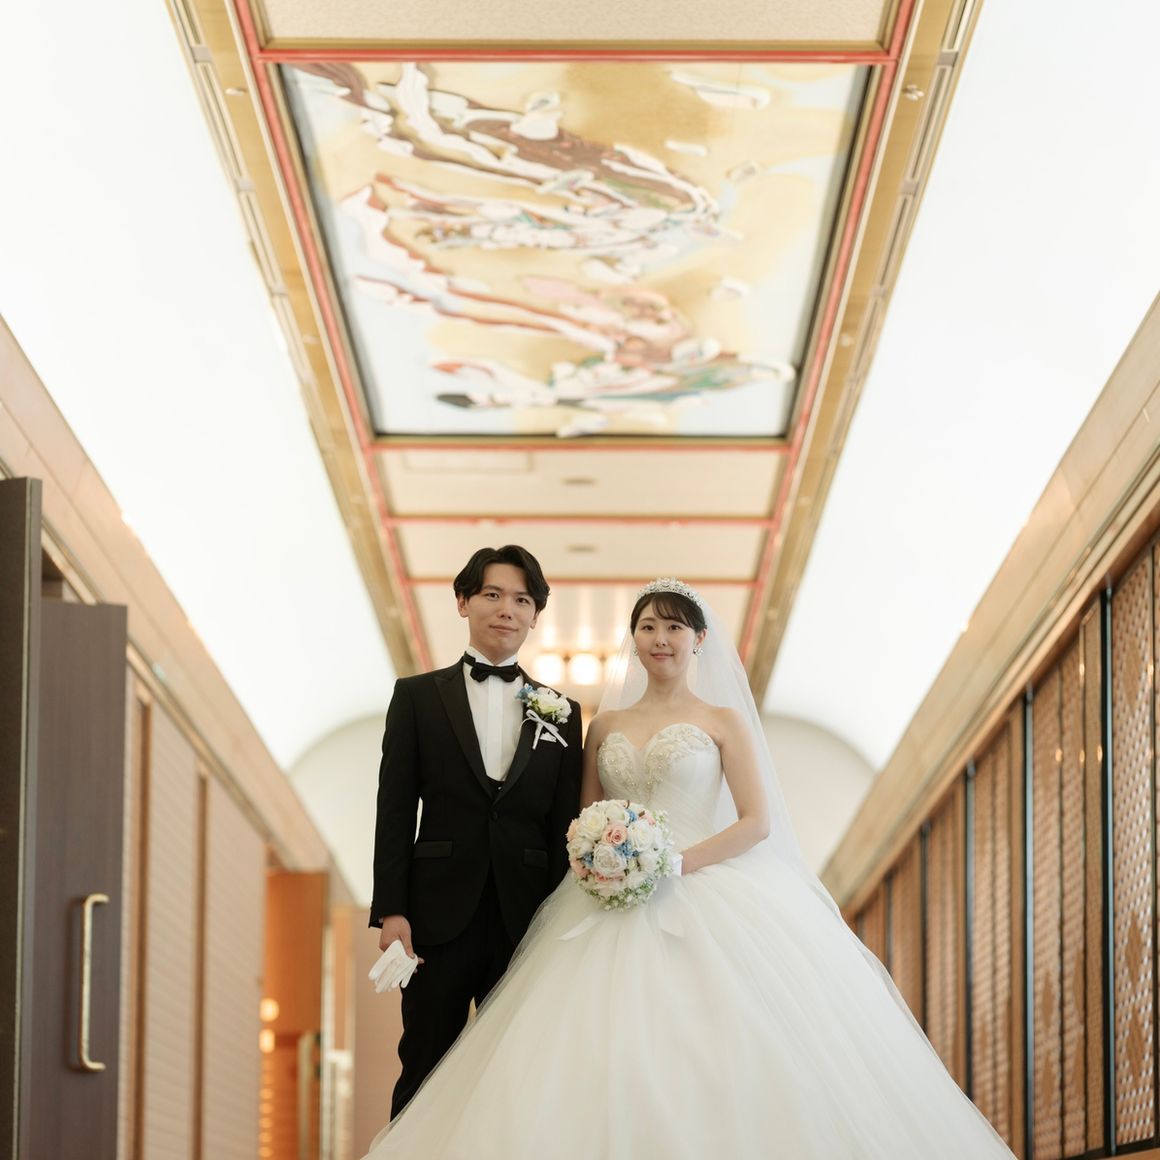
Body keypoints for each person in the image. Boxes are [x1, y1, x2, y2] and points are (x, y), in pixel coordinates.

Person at [365, 579, 1016, 1158]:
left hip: (704, 887)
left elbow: (756, 821)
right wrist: (599, 857)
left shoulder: (723, 720)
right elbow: (580, 817)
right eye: (648, 626)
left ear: (698, 638)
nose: (660, 639)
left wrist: (674, 862)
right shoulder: (603, 725)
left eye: (674, 626)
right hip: (607, 898)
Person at [369, 544, 582, 1117]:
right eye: (492, 594)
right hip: (435, 919)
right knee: (423, 1065)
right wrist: (392, 911)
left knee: (516, 1073)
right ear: (463, 602)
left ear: (535, 615)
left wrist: (561, 923)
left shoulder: (563, 712)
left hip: (525, 920)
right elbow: (394, 810)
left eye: (522, 600)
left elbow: (563, 826)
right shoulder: (416, 697)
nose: (507, 609)